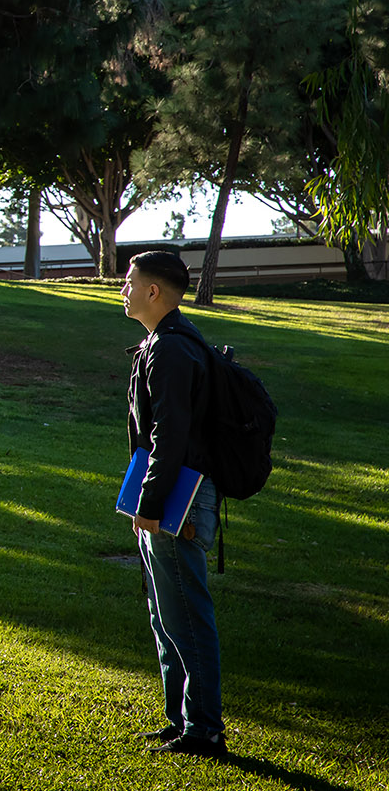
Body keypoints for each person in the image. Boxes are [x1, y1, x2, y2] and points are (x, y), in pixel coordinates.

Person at [120, 250, 227, 758]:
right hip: (171, 493)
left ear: (153, 291)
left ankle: (204, 729)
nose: (123, 289)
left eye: (129, 281)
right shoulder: (162, 343)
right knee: (165, 615)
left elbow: (172, 436)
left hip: (179, 498)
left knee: (186, 614)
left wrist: (151, 502)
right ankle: (180, 719)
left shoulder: (172, 349)